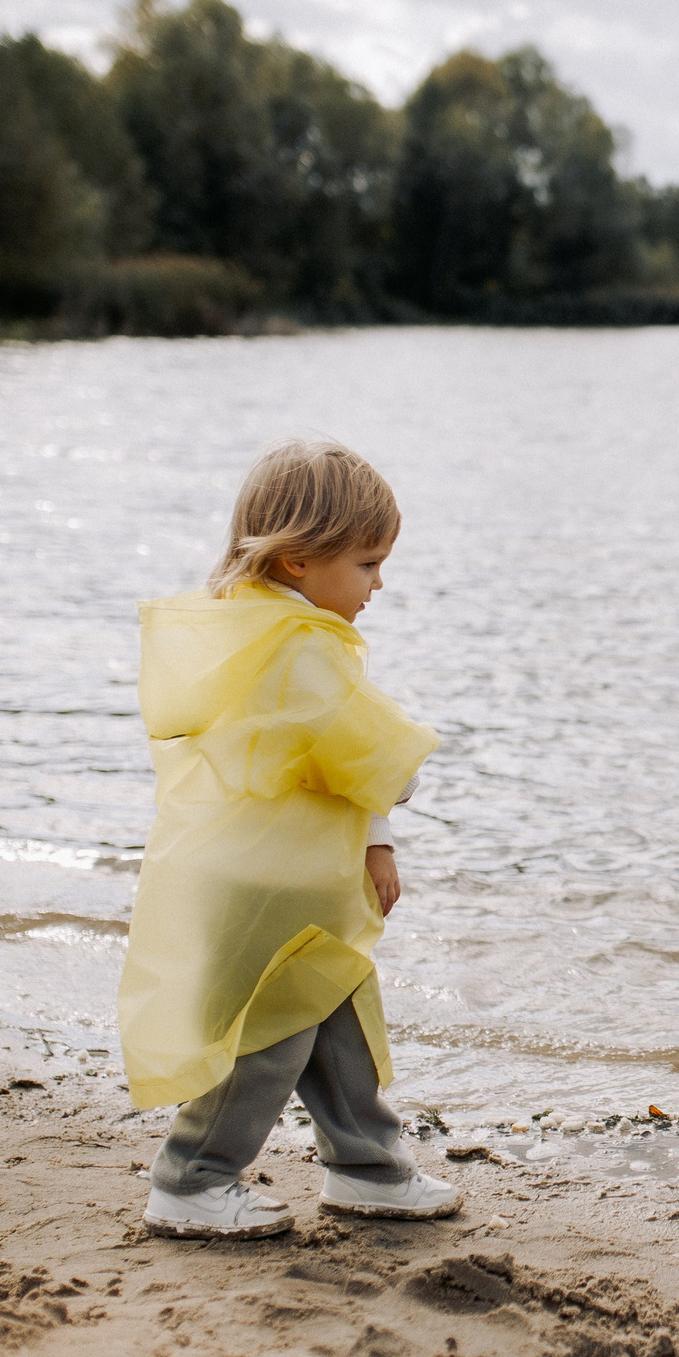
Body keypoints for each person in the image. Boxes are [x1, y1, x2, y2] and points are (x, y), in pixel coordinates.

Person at [118, 438, 458, 1239]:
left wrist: (378, 839)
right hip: (265, 885)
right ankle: (191, 1178)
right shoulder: (295, 650)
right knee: (267, 1038)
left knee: (338, 1020)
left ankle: (368, 1169)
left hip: (287, 877)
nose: (380, 583)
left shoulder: (263, 631)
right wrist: (403, 779)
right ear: (301, 559)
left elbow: (329, 761)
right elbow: (366, 750)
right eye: (368, 564)